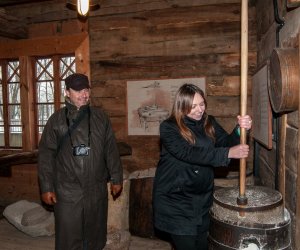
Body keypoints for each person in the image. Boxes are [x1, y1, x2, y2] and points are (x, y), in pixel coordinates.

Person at [152, 83, 252, 250]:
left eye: (202, 104)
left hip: (201, 200)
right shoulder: (169, 127)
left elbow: (226, 142)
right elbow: (189, 153)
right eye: (193, 106)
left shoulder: (209, 122)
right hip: (176, 201)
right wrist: (227, 154)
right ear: (181, 106)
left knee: (203, 245)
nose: (199, 110)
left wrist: (241, 131)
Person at [38, 73, 123, 250]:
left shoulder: (101, 118)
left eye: (86, 90)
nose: (84, 94)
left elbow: (111, 150)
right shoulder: (56, 120)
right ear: (67, 92)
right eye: (78, 90)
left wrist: (117, 177)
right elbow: (46, 155)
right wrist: (46, 187)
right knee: (69, 237)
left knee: (95, 235)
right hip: (67, 190)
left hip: (96, 188)